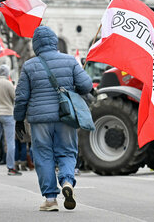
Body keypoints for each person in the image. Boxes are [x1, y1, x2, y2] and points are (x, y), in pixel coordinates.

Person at [14, 26, 92, 211]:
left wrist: (18, 119)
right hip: (65, 115)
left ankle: (50, 199)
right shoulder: (69, 61)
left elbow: (21, 96)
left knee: (43, 156)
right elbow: (86, 86)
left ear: (36, 45)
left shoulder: (29, 65)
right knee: (66, 151)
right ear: (54, 42)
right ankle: (66, 181)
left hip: (39, 119)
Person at [0, 64, 20, 176]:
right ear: (6, 73)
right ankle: (11, 168)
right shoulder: (8, 83)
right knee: (10, 141)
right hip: (7, 113)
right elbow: (14, 98)